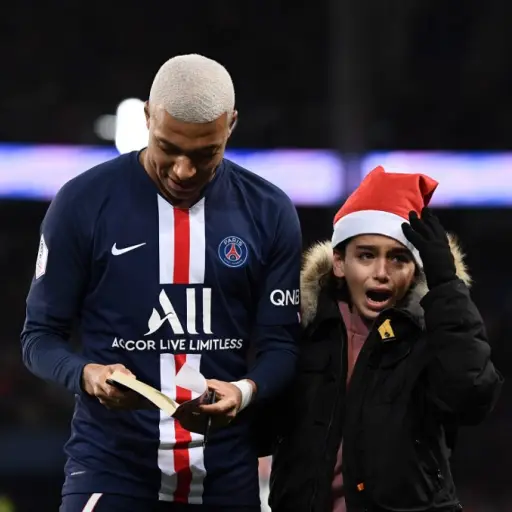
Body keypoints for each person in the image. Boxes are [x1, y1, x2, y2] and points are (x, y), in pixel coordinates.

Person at [21, 54, 302, 512]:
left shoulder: (269, 211)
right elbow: (38, 338)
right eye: (168, 147)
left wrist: (245, 390)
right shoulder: (82, 202)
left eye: (205, 153)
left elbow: (282, 346)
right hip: (111, 468)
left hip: (227, 475)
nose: (183, 170)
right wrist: (86, 374)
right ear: (148, 116)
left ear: (230, 125)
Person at [269, 166, 503, 512]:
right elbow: (262, 430)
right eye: (366, 255)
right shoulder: (303, 327)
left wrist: (447, 287)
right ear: (338, 262)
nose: (381, 272)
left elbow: (472, 397)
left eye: (398, 258)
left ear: (417, 267)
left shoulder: (434, 330)